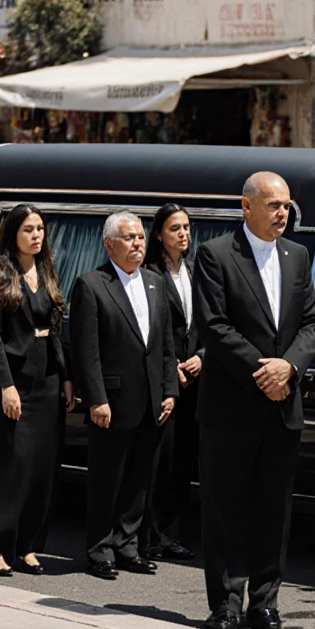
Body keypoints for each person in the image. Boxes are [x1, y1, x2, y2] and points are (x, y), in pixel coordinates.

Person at [192, 172, 315, 629]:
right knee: (226, 509)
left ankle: (265, 602)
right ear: (246, 206)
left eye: (286, 206)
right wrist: (262, 373)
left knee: (274, 510)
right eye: (273, 205)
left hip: (282, 405)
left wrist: (288, 368)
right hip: (231, 406)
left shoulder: (297, 256)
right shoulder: (215, 255)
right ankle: (225, 604)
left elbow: (311, 324)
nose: (282, 213)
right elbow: (214, 326)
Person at [70, 211, 178, 581]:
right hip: (112, 402)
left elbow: (165, 345)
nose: (137, 244)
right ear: (109, 244)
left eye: (140, 237)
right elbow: (86, 351)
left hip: (151, 400)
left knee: (139, 479)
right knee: (108, 479)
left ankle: (128, 545)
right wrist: (95, 398)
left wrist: (169, 390)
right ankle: (100, 550)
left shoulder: (155, 282)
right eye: (129, 238)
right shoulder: (91, 285)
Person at [0, 204, 75, 577]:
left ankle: (29, 546)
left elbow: (56, 329)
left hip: (47, 378)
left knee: (42, 466)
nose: (36, 236)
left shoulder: (47, 269)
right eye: (28, 230)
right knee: (13, 465)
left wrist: (65, 377)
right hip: (15, 379)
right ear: (13, 234)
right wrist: (5, 384)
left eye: (40, 229)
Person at [140, 203, 203, 563]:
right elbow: (149, 326)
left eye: (187, 228)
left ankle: (171, 534)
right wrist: (171, 366)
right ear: (159, 234)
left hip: (195, 381)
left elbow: (210, 321)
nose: (183, 234)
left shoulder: (196, 270)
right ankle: (148, 537)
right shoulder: (149, 273)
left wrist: (202, 357)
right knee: (157, 462)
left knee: (182, 463)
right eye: (175, 228)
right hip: (164, 378)